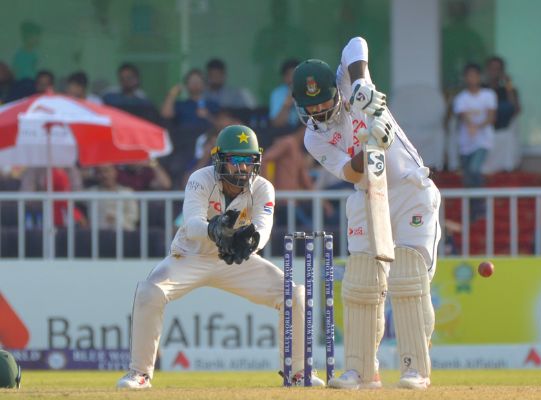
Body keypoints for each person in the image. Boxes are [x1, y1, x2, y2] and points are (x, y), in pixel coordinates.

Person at [116, 125, 324, 389]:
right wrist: (215, 230)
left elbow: (263, 228)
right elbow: (192, 225)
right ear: (220, 160)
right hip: (191, 256)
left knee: (294, 295)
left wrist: (249, 242)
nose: (242, 168)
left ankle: (297, 373)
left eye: (248, 160)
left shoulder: (263, 188)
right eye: (236, 160)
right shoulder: (201, 179)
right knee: (150, 291)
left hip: (236, 259)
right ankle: (139, 374)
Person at [291, 37, 441, 390]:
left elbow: (356, 44)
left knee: (408, 279)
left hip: (409, 189)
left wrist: (361, 83)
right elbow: (352, 172)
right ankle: (360, 370)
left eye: (324, 102)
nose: (318, 113)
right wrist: (373, 142)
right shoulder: (313, 139)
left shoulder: (347, 82)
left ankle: (414, 368)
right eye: (309, 107)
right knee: (360, 283)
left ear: (337, 90)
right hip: (366, 193)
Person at [453, 63, 496, 189]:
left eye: (474, 76)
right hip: (466, 142)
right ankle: (471, 205)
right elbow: (462, 115)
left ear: (479, 77)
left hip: (483, 141)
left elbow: (491, 116)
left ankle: (480, 202)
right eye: (469, 76)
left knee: (474, 169)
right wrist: (471, 125)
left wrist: (477, 126)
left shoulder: (489, 95)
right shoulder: (461, 98)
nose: (472, 79)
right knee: (467, 175)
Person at [482, 56, 521, 173]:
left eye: (497, 69)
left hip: (502, 126)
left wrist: (508, 85)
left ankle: (507, 169)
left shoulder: (508, 89)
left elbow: (516, 109)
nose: (494, 72)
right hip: (484, 125)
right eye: (492, 69)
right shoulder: (481, 88)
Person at [269, 59, 300, 129]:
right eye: (288, 75)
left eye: (295, 74)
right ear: (283, 77)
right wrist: (287, 105)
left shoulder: (309, 90)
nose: (292, 78)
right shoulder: (277, 93)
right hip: (284, 132)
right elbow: (276, 124)